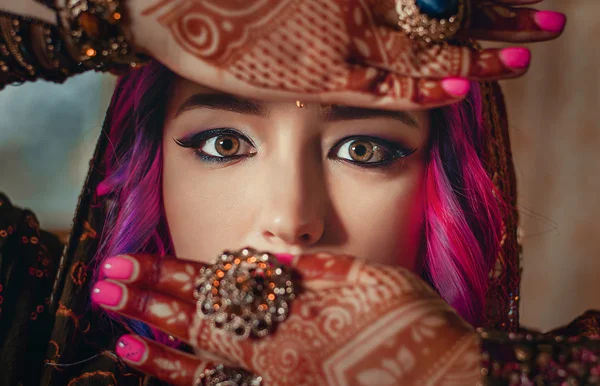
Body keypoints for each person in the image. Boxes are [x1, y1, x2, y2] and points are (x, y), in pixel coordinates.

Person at [1, 1, 597, 385]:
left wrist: (478, 373)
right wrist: (127, 15)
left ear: (442, 183)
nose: (291, 221)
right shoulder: (32, 335)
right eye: (223, 144)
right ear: (151, 165)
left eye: (364, 150)